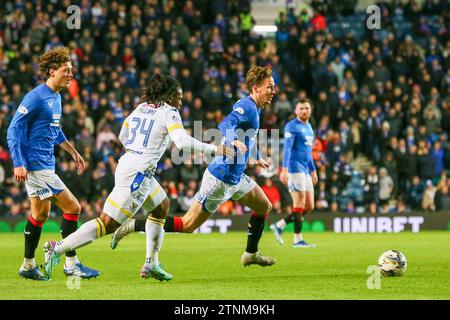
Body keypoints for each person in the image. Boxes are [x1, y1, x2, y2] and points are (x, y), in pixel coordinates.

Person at [43, 74, 233, 280]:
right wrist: (216, 149)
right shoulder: (170, 112)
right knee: (107, 223)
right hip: (138, 175)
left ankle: (152, 263)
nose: (181, 100)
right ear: (169, 96)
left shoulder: (141, 107)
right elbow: (182, 142)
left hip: (130, 164)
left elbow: (123, 135)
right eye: (179, 96)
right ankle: (57, 249)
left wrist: (140, 149)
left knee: (161, 206)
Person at [112, 66, 277, 267]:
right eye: (270, 86)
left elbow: (247, 137)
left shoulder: (255, 109)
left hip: (237, 176)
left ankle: (251, 253)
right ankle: (134, 225)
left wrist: (256, 156)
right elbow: (226, 124)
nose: (273, 91)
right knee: (188, 224)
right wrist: (232, 140)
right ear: (256, 88)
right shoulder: (248, 106)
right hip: (221, 178)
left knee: (264, 206)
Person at [6, 47, 99, 280]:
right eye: (66, 70)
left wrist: (73, 151)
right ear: (52, 71)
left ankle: (28, 265)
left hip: (46, 163)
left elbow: (54, 130)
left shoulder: (56, 97)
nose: (71, 74)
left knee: (40, 215)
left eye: (72, 70)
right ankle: (71, 263)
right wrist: (18, 163)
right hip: (36, 165)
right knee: (73, 208)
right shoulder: (36, 97)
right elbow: (13, 129)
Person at [269, 99, 318, 247]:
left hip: (305, 169)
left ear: (310, 110)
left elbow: (308, 153)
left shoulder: (309, 128)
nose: (304, 111)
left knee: (309, 206)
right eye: (301, 108)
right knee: (299, 203)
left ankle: (280, 225)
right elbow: (288, 149)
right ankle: (298, 239)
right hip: (294, 168)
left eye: (307, 108)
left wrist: (313, 169)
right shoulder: (291, 126)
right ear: (296, 111)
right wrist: (284, 169)